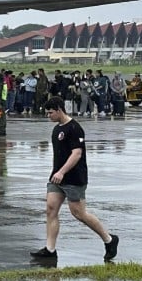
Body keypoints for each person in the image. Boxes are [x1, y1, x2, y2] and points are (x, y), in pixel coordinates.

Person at [30, 96, 119, 262]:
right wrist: (55, 173)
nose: (48, 116)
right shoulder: (56, 129)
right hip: (57, 177)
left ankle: (109, 239)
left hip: (74, 177)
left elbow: (76, 154)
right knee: (51, 209)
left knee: (79, 213)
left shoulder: (75, 128)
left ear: (59, 109)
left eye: (50, 113)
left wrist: (62, 172)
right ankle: (50, 249)